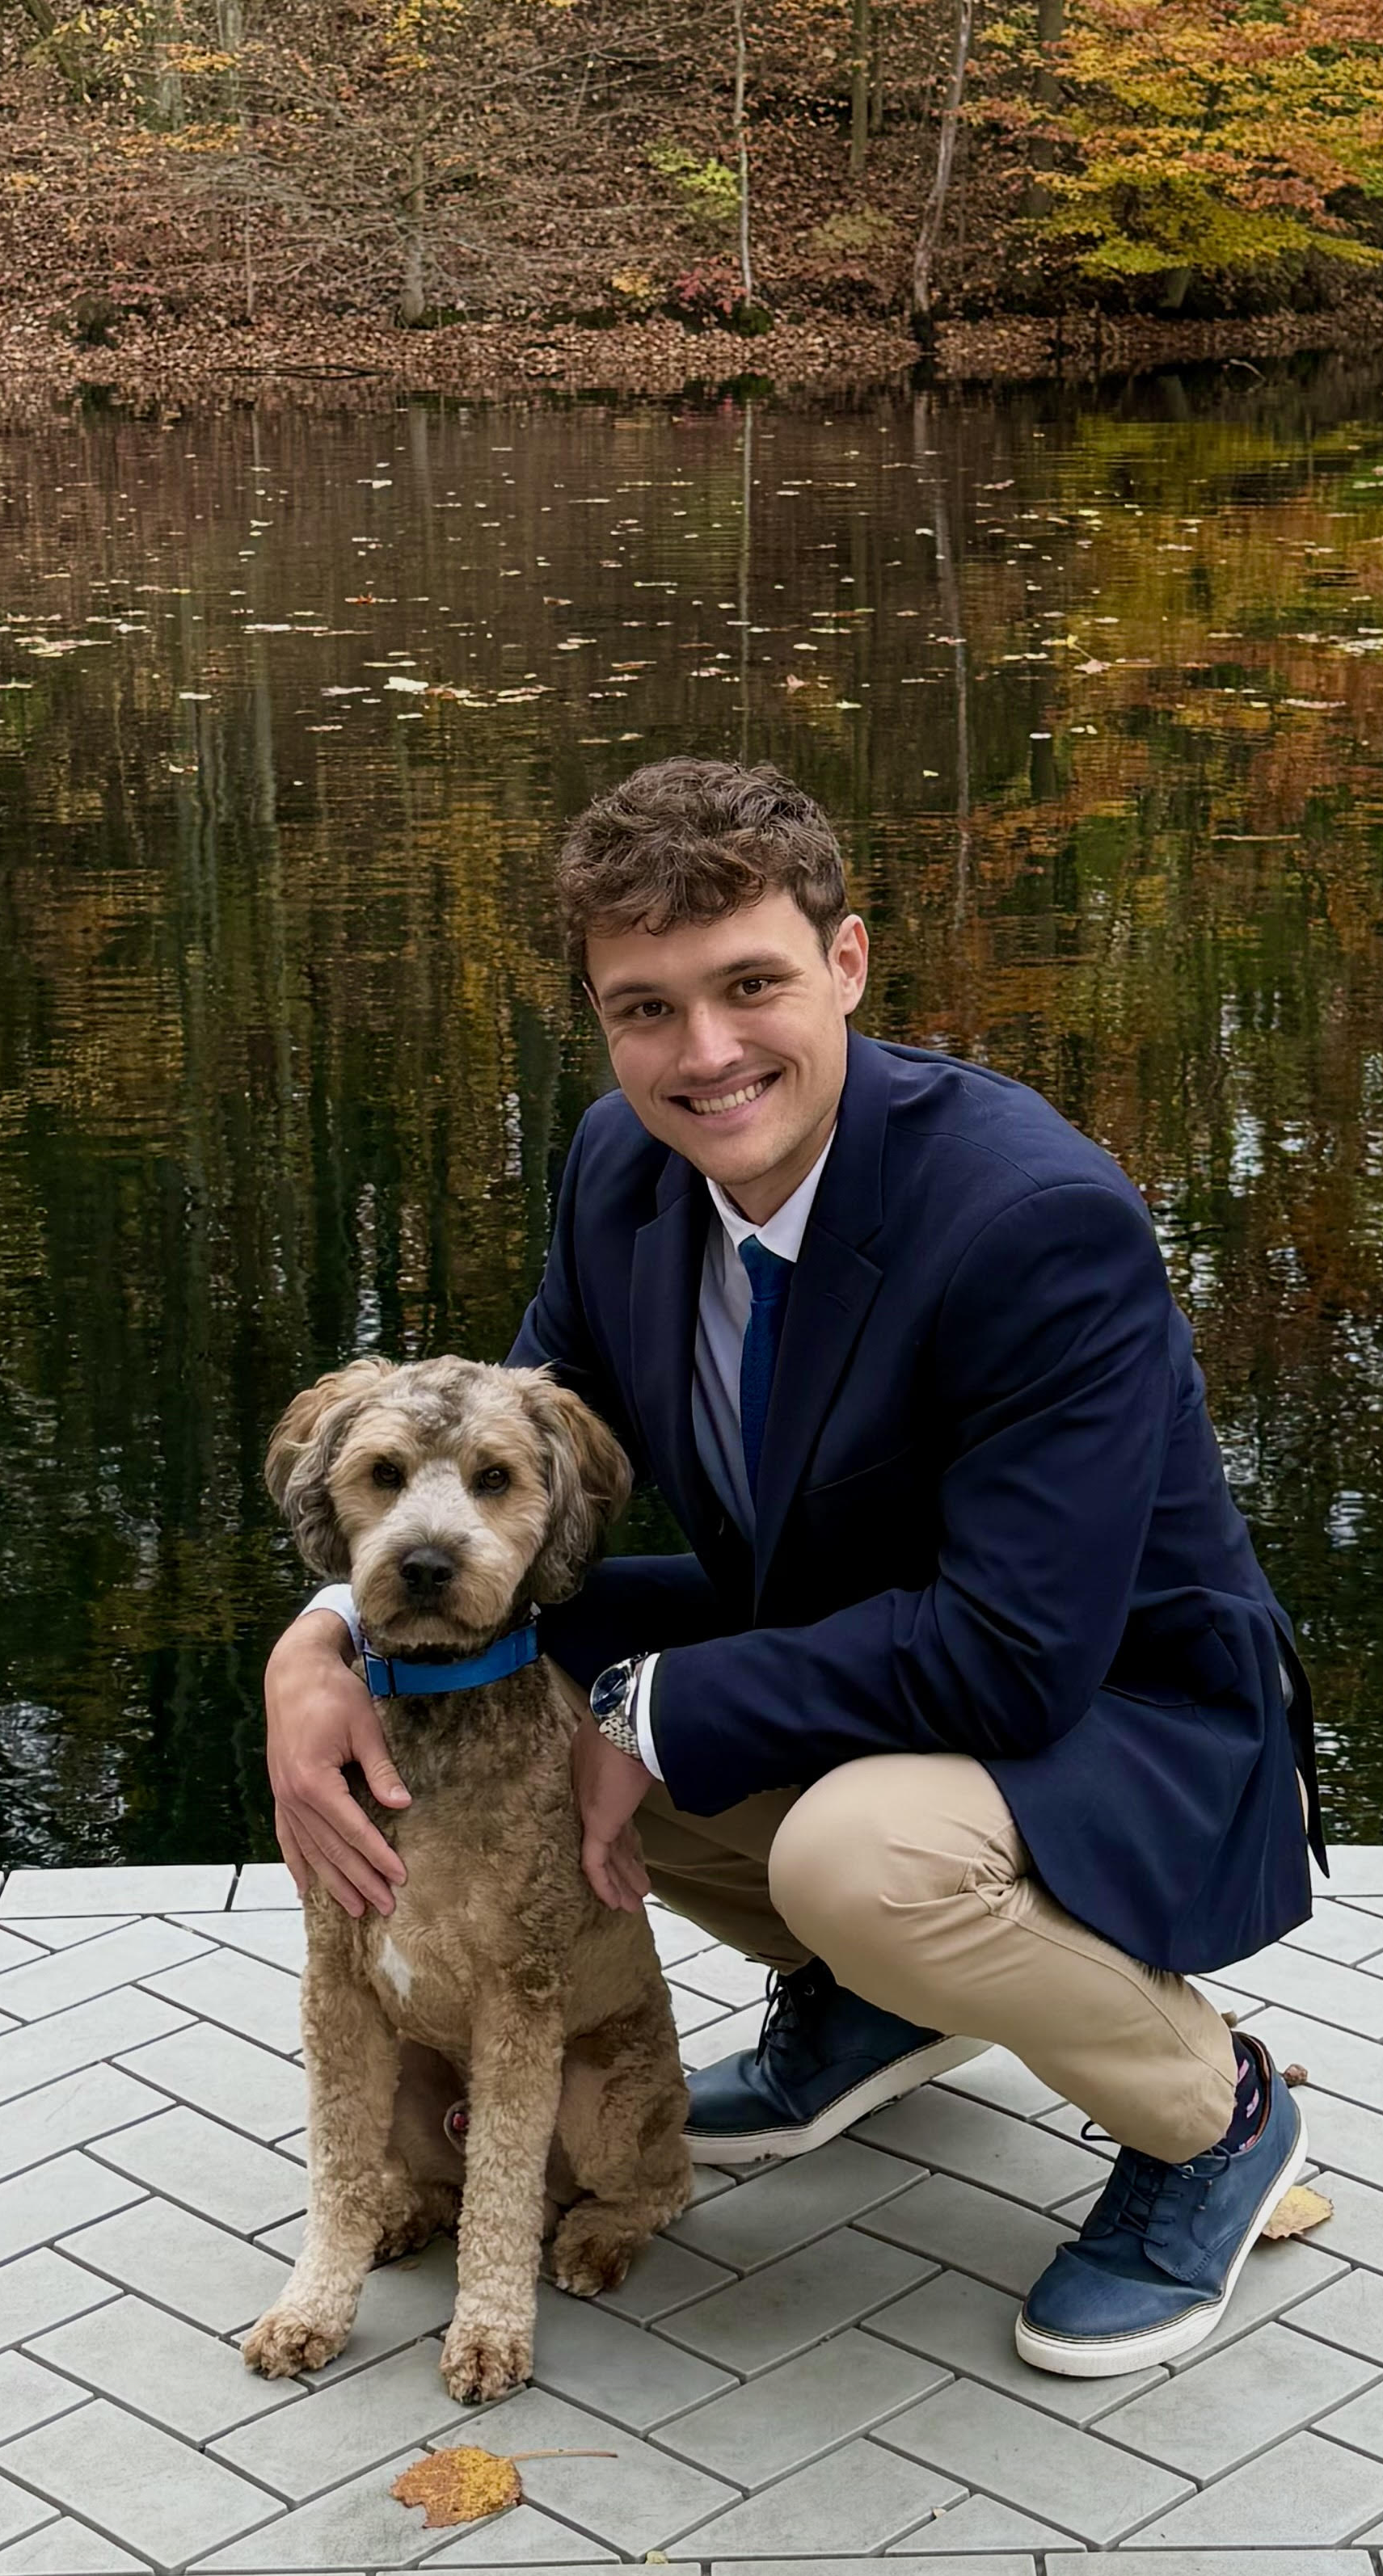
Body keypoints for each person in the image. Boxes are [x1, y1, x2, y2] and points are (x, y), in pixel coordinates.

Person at [264, 756, 1321, 2374]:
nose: (706, 1053)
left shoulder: (1031, 1219)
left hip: (1124, 1710)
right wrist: (326, 1639)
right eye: (647, 1008)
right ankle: (882, 2003)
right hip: (867, 1654)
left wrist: (647, 1716)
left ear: (848, 964)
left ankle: (1216, 2117)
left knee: (856, 1860)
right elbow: (526, 1501)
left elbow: (1014, 1656)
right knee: (518, 1696)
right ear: (600, 1018)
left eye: (750, 985)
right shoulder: (622, 1170)